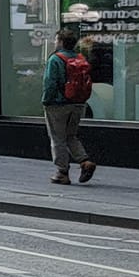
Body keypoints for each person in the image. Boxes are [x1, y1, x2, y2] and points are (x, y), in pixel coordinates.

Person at [43, 27, 97, 185]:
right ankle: (85, 161)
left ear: (60, 41)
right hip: (78, 104)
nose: (54, 42)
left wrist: (46, 101)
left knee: (57, 138)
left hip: (58, 104)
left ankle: (62, 172)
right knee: (71, 136)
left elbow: (50, 83)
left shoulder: (55, 59)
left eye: (56, 39)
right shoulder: (80, 57)